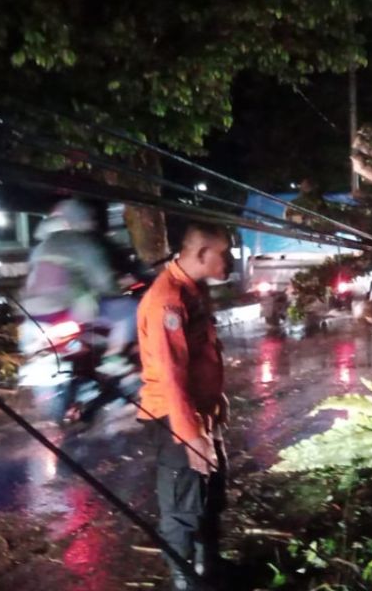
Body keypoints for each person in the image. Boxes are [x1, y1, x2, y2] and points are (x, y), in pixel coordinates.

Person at [137, 223, 232, 591]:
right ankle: (185, 580)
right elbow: (172, 375)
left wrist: (213, 401)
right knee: (183, 507)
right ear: (201, 254)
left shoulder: (193, 291)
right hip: (175, 419)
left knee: (211, 495)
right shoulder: (168, 301)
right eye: (223, 253)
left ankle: (210, 570)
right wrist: (190, 437)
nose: (229, 260)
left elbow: (201, 357)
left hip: (199, 413)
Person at [21, 198, 137, 370]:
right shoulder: (83, 242)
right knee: (129, 309)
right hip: (68, 310)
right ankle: (114, 358)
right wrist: (116, 290)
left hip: (32, 316)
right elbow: (103, 281)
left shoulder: (40, 247)